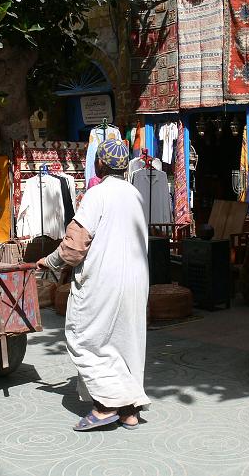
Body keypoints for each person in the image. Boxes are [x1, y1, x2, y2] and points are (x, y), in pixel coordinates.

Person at [37, 139, 150, 431]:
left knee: (88, 339)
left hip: (104, 281)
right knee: (126, 341)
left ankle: (105, 407)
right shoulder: (135, 194)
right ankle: (129, 410)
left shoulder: (96, 195)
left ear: (99, 164)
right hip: (136, 280)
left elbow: (73, 248)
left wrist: (49, 261)